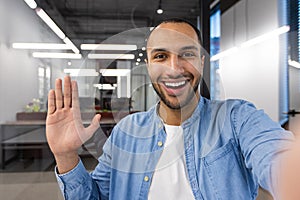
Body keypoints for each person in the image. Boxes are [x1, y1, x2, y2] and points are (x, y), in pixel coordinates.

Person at [46, 19, 295, 200]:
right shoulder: (126, 132)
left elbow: (275, 155)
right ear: (149, 65)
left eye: (186, 53)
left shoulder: (237, 119)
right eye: (161, 56)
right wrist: (66, 156)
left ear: (201, 61)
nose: (174, 69)